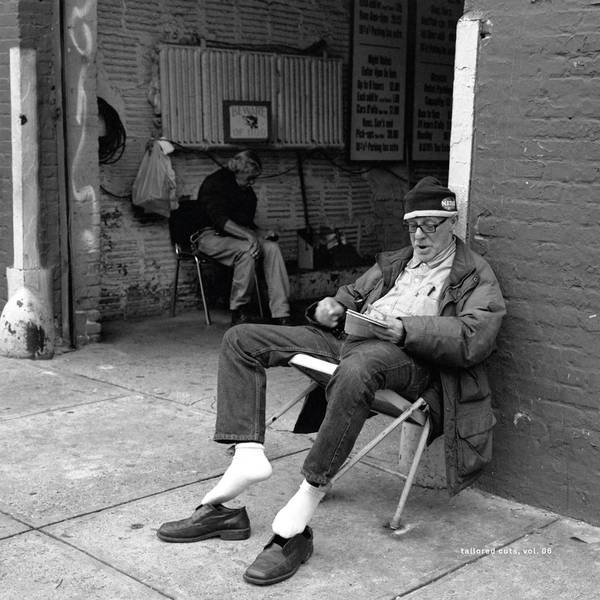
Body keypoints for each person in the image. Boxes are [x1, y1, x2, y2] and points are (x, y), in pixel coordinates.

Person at [157, 176, 506, 586]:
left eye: (429, 225)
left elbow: (474, 337)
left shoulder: (474, 273)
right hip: (352, 343)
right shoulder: (396, 261)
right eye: (413, 225)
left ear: (451, 223)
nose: (419, 235)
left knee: (358, 369)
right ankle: (243, 467)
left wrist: (406, 329)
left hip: (410, 361)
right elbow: (350, 295)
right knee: (242, 339)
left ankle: (295, 526)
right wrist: (329, 308)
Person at [193, 150, 291, 326]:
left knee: (272, 248)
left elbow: (247, 224)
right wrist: (249, 235)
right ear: (239, 171)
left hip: (235, 238)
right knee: (248, 250)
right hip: (208, 236)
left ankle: (281, 312)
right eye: (250, 178)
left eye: (255, 179)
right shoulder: (214, 183)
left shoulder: (247, 192)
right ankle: (239, 310)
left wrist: (261, 233)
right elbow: (219, 220)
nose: (252, 182)